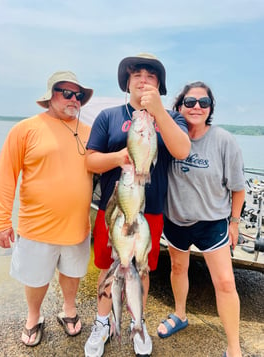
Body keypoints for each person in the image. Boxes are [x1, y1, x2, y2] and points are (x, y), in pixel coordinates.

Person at [84, 53, 191, 357]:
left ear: (159, 84)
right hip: (114, 210)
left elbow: (182, 150)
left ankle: (137, 323)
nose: (143, 80)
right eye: (137, 75)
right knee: (109, 267)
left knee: (140, 267)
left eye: (151, 76)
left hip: (151, 211)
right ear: (127, 82)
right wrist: (119, 158)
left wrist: (158, 111)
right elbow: (90, 161)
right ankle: (103, 322)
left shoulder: (173, 119)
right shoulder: (109, 117)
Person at [0, 71, 94, 347]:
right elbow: (6, 176)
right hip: (36, 225)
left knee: (73, 272)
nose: (74, 99)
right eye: (67, 93)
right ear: (50, 96)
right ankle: (33, 316)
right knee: (35, 276)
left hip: (77, 225)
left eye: (79, 95)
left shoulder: (90, 132)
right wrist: (1, 220)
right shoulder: (25, 129)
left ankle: (69, 309)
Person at [157, 81, 245, 357]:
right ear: (179, 106)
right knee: (178, 268)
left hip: (212, 223)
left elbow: (238, 188)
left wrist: (234, 222)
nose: (196, 107)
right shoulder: (168, 137)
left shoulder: (223, 140)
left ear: (210, 109)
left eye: (203, 103)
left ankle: (233, 347)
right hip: (176, 221)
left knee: (226, 283)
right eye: (190, 102)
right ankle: (180, 314)